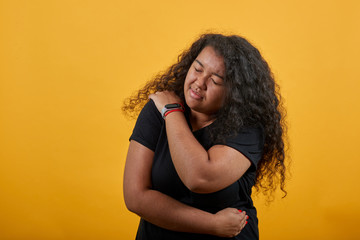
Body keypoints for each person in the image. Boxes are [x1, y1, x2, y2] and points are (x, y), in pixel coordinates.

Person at [123, 33, 288, 240]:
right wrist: (212, 224)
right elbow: (135, 197)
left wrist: (172, 114)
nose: (199, 83)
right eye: (197, 69)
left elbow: (199, 177)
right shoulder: (159, 109)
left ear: (234, 93)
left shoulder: (248, 128)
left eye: (216, 80)